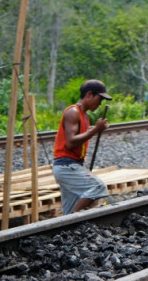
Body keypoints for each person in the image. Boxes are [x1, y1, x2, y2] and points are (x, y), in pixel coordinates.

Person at [52, 79, 111, 214]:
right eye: (99, 99)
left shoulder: (84, 115)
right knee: (98, 187)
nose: (100, 103)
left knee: (69, 209)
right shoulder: (73, 112)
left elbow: (82, 134)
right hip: (66, 166)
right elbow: (71, 142)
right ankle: (74, 218)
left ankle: (68, 227)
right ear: (89, 94)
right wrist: (95, 130)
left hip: (72, 165)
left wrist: (95, 129)